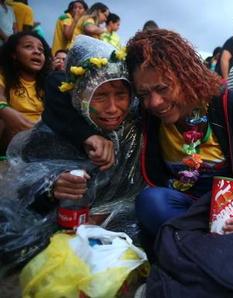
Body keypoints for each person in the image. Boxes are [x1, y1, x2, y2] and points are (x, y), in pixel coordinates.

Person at [42, 29, 233, 255]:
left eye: (163, 88)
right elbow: (57, 84)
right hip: (187, 213)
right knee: (151, 201)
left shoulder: (231, 106)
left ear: (187, 75)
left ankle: (210, 253)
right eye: (144, 93)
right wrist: (86, 135)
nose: (155, 102)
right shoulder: (146, 113)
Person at [0, 35, 144, 237]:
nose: (112, 108)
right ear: (79, 95)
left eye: (120, 95)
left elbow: (135, 193)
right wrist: (51, 188)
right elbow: (22, 194)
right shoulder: (50, 135)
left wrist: (104, 217)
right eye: (100, 96)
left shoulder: (133, 130)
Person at [0, 31, 51, 153]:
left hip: (43, 138)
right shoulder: (3, 76)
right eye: (28, 46)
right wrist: (4, 109)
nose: (37, 52)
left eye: (41, 50)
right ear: (14, 54)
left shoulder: (49, 81)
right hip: (11, 140)